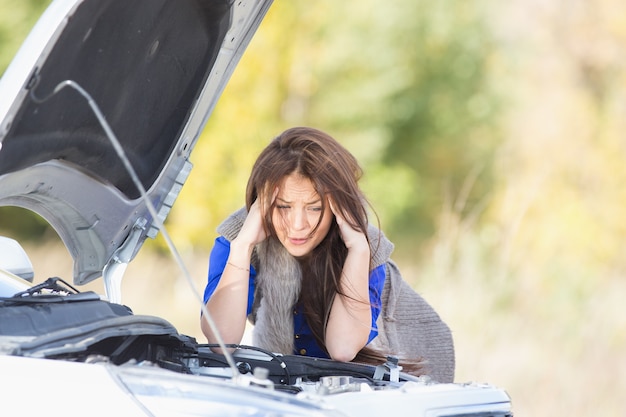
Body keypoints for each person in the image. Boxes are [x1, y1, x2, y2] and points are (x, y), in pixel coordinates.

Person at [201, 126, 455, 382]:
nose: (298, 224)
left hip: (408, 367)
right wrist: (243, 246)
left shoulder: (365, 245)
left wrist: (357, 250)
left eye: (314, 208)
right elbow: (221, 342)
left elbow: (343, 349)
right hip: (309, 384)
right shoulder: (238, 238)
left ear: (337, 207)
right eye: (284, 206)